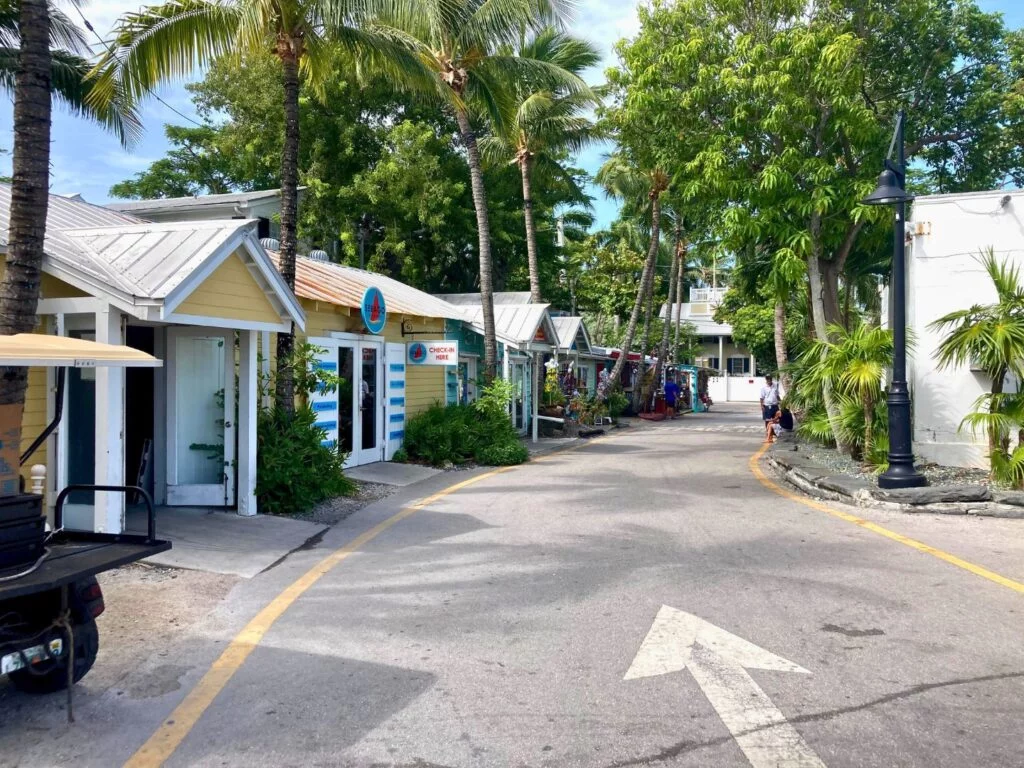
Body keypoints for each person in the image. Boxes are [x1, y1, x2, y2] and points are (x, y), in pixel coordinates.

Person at [759, 374, 780, 439]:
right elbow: (761, 398)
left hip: (775, 405)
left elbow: (777, 395)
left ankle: (774, 432)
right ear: (766, 380)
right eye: (767, 379)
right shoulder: (763, 388)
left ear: (771, 379)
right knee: (767, 420)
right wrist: (762, 406)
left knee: (776, 419)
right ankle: (768, 432)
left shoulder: (775, 386)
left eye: (770, 379)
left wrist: (781, 402)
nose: (769, 380)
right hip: (767, 405)